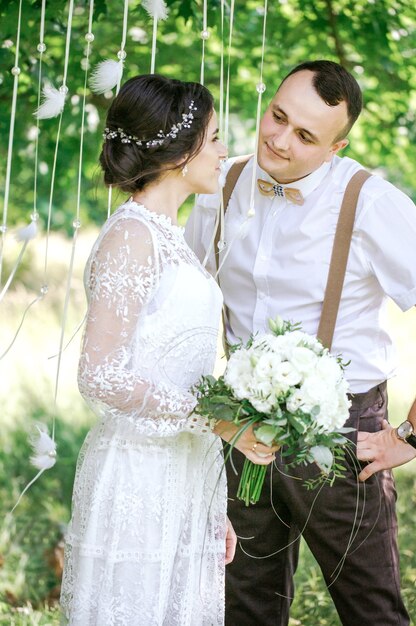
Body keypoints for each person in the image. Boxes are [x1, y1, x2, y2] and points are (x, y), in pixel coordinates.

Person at [186, 60, 416, 626]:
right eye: (277, 116)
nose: (279, 139)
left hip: (342, 441)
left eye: (305, 135)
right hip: (241, 430)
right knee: (244, 601)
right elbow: (188, 290)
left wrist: (413, 436)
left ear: (335, 148)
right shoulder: (221, 183)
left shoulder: (371, 202)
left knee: (370, 608)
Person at [59, 73, 277, 626]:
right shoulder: (131, 237)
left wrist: (209, 500)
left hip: (184, 474)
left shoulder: (168, 237)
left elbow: (176, 367)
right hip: (139, 475)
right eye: (214, 137)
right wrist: (220, 423)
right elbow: (100, 375)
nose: (226, 149)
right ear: (179, 151)